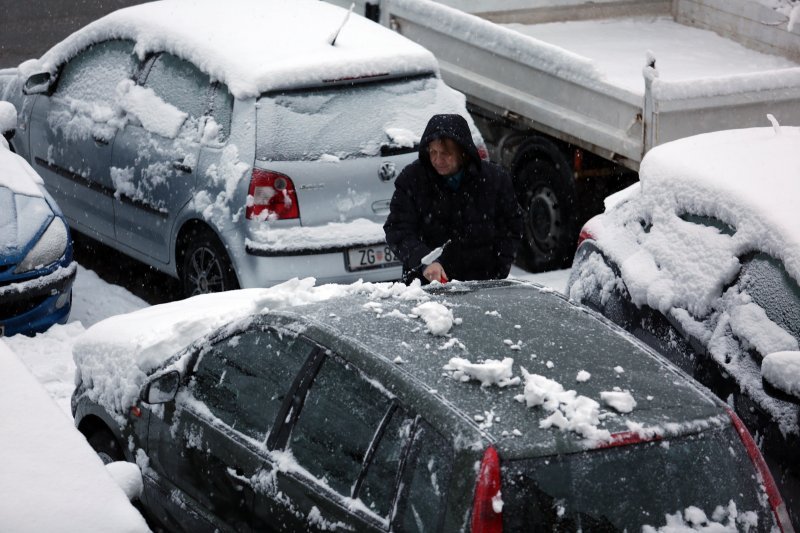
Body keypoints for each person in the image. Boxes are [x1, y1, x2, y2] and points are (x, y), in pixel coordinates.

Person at [384, 114, 523, 284]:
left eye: (445, 153)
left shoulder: (495, 180)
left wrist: (500, 266)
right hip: (427, 287)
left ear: (463, 153)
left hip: (483, 284)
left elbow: (512, 225)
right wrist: (425, 262)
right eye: (433, 152)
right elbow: (398, 230)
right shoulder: (412, 180)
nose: (437, 159)